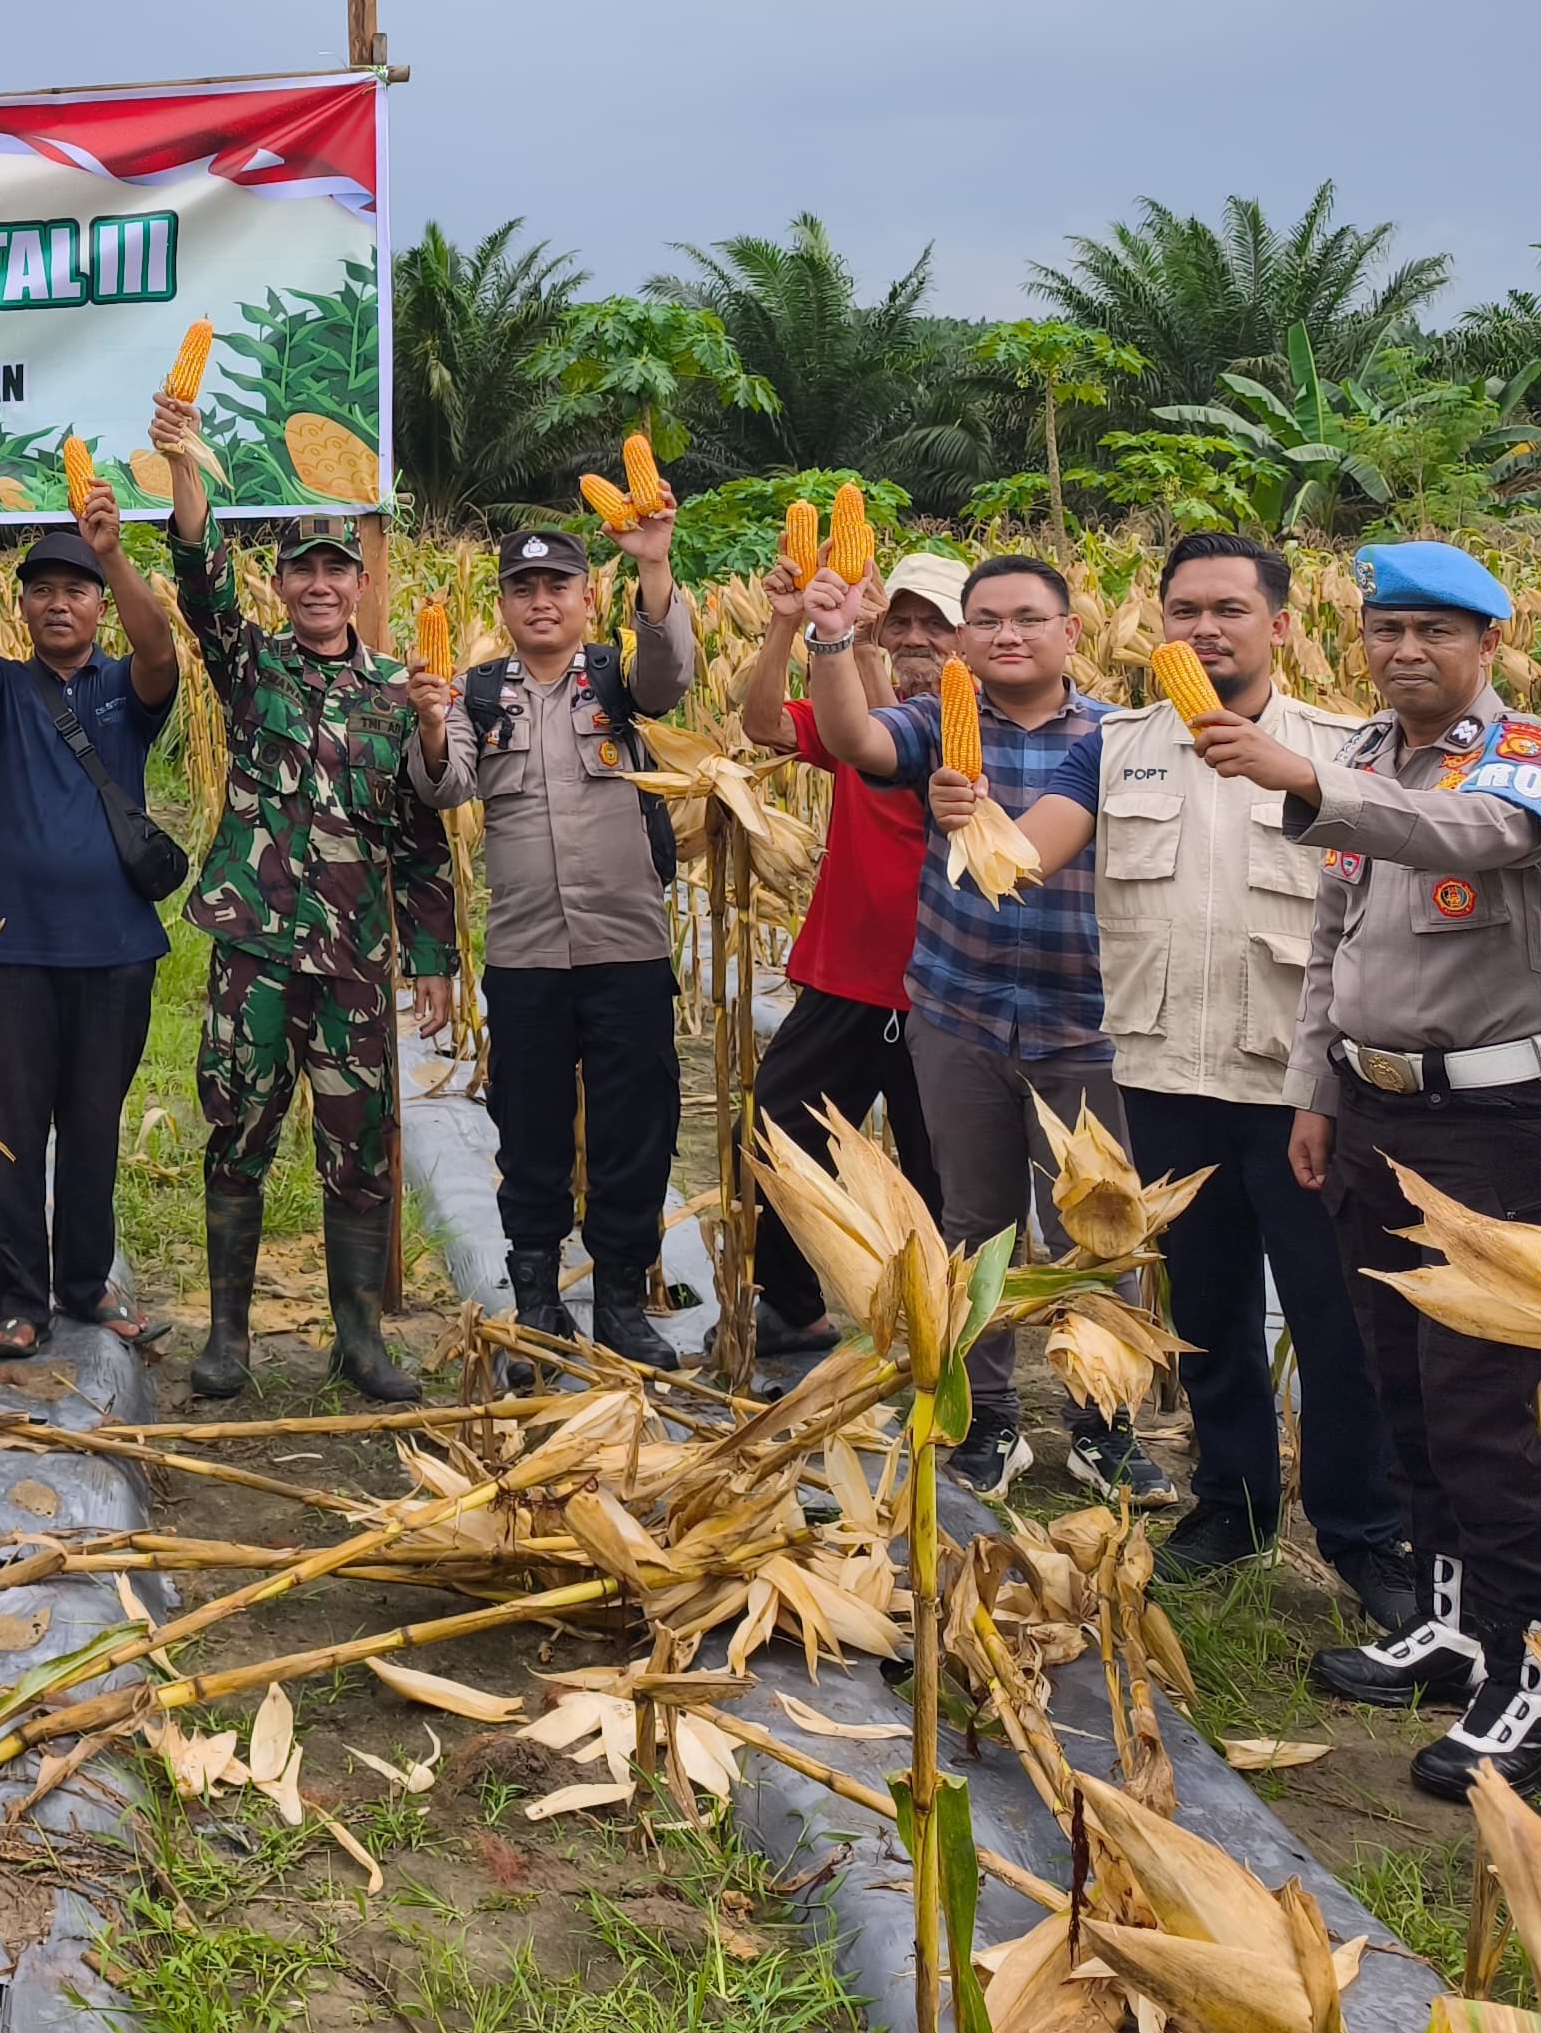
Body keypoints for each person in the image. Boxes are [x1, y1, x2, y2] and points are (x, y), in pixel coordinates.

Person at [1209, 540, 1541, 1795]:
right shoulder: (1366, 756)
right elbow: (1334, 939)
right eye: (1388, 632)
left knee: (1483, 1407)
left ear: (1489, 643)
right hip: (1373, 1115)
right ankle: (1449, 1625)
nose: (1407, 652)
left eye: (1436, 631)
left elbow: (1477, 840)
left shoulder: (1528, 753)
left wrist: (1298, 773)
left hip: (1495, 1125)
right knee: (1402, 1386)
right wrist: (1316, 1091)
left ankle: (1539, 1684)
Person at [1071, 535, 1404, 1618]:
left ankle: (1365, 1531)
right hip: (1167, 1068)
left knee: (1334, 1315)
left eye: (1229, 609)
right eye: (1183, 611)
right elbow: (1030, 849)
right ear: (1156, 625)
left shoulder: (1347, 751)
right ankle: (1234, 1505)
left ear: (1282, 625)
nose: (1204, 629)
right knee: (1206, 1307)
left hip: (1300, 1084)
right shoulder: (1118, 748)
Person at [802, 550, 1150, 1499]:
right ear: (962, 638)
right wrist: (833, 636)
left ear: (1071, 632)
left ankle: (1106, 1425)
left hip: (1087, 1019)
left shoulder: (1123, 738)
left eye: (1028, 618)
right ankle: (985, 1414)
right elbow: (853, 741)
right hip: (960, 1011)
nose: (1005, 634)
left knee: (1100, 1230)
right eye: (985, 620)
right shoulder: (934, 725)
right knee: (973, 1221)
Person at [160, 390, 458, 1407]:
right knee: (239, 1128)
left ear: (360, 580)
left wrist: (434, 958)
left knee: (359, 1146)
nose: (321, 583)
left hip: (353, 966)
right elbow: (198, 585)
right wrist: (185, 467)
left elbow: (421, 834)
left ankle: (358, 1339)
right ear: (281, 582)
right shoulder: (253, 671)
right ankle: (228, 1338)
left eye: (337, 568)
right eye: (303, 568)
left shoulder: (398, 693)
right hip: (255, 950)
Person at [414, 519, 695, 1372]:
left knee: (635, 1129)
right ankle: (536, 1300)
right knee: (527, 1129)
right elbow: (446, 785)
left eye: (558, 588)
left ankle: (620, 1301)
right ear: (501, 603)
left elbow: (669, 675)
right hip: (528, 952)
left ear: (586, 598)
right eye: (523, 589)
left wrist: (654, 561)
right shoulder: (476, 692)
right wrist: (429, 725)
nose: (541, 602)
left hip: (628, 947)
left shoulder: (617, 677)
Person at [0, 481, 182, 1360]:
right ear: (24, 606)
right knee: (11, 1127)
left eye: (75, 589)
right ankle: (19, 1298)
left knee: (92, 1123)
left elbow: (163, 656)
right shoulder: (3, 689)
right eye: (41, 589)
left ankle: (85, 1281)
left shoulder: (123, 689)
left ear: (98, 606)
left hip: (116, 950)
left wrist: (112, 553)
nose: (58, 602)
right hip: (11, 948)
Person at [735, 547, 965, 1361]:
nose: (912, 636)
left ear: (968, 636)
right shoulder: (854, 713)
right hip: (848, 977)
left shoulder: (988, 730)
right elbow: (763, 724)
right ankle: (793, 1310)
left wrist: (862, 650)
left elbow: (896, 763)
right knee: (776, 1133)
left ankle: (945, 1331)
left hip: (946, 991)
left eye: (933, 623)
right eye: (898, 619)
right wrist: (787, 623)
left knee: (942, 1176)